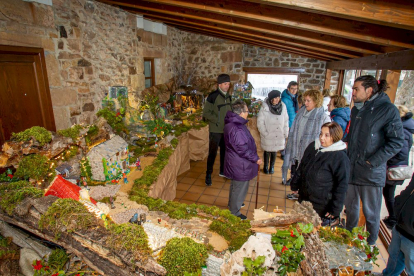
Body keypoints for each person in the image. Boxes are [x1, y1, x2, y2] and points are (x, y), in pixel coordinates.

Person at [344, 75, 404, 245]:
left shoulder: (387, 110)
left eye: (356, 89)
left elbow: (397, 142)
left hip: (371, 172)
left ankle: (370, 247)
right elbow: (353, 135)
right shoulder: (357, 108)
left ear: (369, 91)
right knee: (351, 210)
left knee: (371, 214)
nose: (353, 93)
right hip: (353, 168)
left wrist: (372, 162)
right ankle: (347, 242)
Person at [290, 122, 350, 225]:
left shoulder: (340, 157)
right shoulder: (313, 147)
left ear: (335, 137)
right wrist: (295, 184)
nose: (322, 138)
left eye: (327, 135)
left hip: (321, 205)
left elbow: (341, 186)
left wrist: (335, 209)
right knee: (299, 227)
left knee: (313, 231)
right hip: (304, 199)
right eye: (321, 134)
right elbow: (302, 166)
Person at [223, 100, 262, 219]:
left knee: (236, 185)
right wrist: (256, 158)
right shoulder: (236, 128)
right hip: (240, 163)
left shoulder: (234, 123)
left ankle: (233, 203)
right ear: (240, 113)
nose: (248, 113)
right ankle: (234, 212)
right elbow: (242, 149)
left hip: (236, 161)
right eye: (246, 111)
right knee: (240, 187)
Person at [282, 90, 331, 185]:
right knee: (295, 171)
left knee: (306, 176)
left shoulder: (323, 117)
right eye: (305, 100)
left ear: (316, 102)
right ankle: (295, 189)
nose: (305, 103)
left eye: (309, 101)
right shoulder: (300, 114)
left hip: (310, 153)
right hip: (296, 150)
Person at [382, 105, 414, 229]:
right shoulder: (404, 129)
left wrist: (387, 160)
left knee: (389, 194)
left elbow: (400, 152)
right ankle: (393, 216)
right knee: (388, 193)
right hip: (395, 166)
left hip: (394, 168)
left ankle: (393, 217)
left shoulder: (401, 130)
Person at [203, 74, 233, 186]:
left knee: (225, 152)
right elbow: (206, 114)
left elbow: (230, 111)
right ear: (219, 84)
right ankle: (208, 174)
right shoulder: (212, 96)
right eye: (225, 84)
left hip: (226, 130)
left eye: (228, 84)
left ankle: (222, 171)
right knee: (212, 153)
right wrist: (218, 120)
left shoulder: (229, 97)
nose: (227, 86)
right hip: (215, 130)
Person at [382, 174, 414, 276]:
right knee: (394, 258)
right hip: (400, 226)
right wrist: (398, 203)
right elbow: (410, 189)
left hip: (412, 237)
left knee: (411, 269)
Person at [257, 90, 289, 174]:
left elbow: (286, 120)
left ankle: (272, 167)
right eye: (274, 98)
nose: (277, 99)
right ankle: (265, 166)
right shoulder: (265, 107)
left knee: (274, 151)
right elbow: (260, 121)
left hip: (279, 133)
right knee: (267, 151)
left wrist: (285, 132)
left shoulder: (283, 106)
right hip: (269, 132)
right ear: (271, 99)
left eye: (278, 97)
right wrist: (264, 132)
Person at [281, 81, 299, 160]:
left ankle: (289, 153)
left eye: (296, 89)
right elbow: (282, 113)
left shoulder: (296, 98)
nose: (294, 91)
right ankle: (283, 153)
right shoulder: (285, 99)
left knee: (291, 138)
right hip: (287, 121)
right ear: (288, 89)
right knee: (284, 138)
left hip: (294, 121)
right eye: (292, 89)